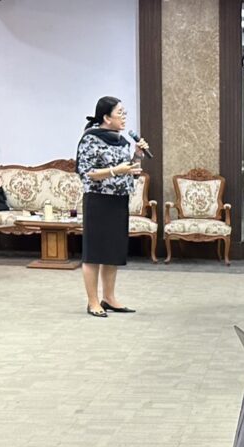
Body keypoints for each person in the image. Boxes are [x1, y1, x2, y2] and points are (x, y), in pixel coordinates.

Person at [76, 96, 147, 317]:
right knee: (94, 253)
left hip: (119, 200)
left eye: (125, 113)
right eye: (120, 113)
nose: (124, 117)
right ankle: (93, 302)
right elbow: (87, 172)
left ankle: (109, 298)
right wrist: (116, 171)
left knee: (112, 252)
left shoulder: (121, 140)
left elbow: (130, 171)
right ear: (106, 117)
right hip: (98, 201)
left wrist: (137, 155)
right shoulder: (90, 139)